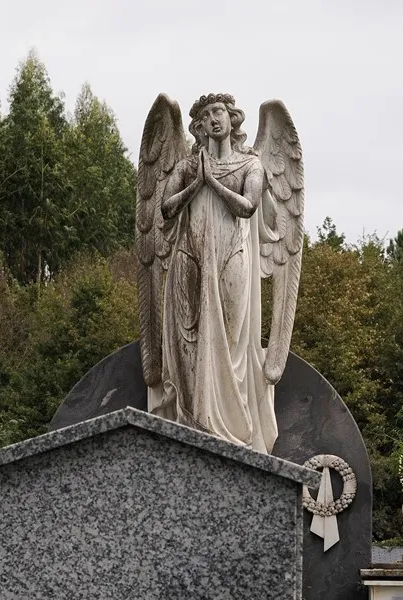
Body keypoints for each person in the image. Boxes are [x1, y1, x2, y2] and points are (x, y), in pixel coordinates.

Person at [155, 93, 277, 453]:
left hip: (231, 254)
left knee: (230, 337)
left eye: (219, 112)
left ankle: (232, 432)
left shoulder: (250, 165)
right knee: (191, 338)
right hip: (190, 257)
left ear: (231, 118)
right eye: (206, 115)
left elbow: (248, 207)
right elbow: (165, 209)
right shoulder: (187, 167)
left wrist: (214, 183)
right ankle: (194, 426)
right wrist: (197, 183)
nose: (214, 119)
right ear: (199, 126)